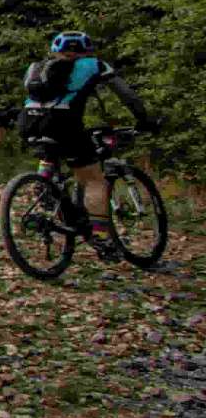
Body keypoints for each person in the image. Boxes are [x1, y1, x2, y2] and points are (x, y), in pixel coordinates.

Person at [18, 32, 156, 259]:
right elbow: (126, 94)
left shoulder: (38, 67)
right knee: (93, 179)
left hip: (28, 122)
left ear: (55, 50)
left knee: (51, 147)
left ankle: (44, 182)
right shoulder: (94, 65)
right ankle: (102, 238)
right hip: (64, 124)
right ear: (87, 49)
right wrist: (144, 119)